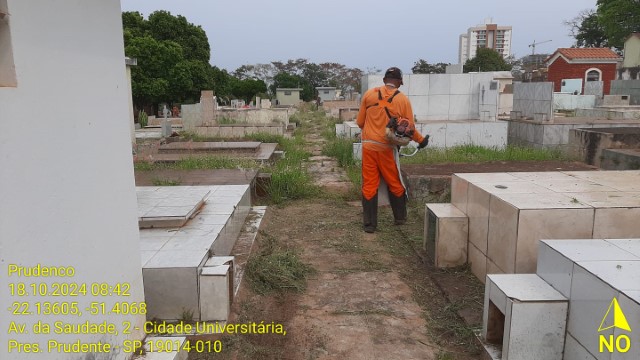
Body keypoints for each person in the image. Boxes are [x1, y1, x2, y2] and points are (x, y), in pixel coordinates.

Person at [356, 67, 429, 233]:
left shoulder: (369, 94)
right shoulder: (402, 100)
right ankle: (400, 218)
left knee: (369, 184)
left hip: (368, 146)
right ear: (399, 82)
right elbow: (409, 128)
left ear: (384, 80)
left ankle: (369, 225)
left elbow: (360, 122)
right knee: (395, 182)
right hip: (386, 148)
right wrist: (421, 140)